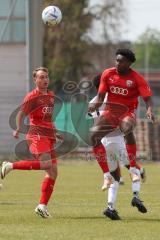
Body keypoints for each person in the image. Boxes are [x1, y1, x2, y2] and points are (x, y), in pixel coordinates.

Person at [1, 67, 63, 218]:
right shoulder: (32, 97)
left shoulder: (51, 96)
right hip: (36, 134)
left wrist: (56, 132)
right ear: (35, 80)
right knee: (46, 165)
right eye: (41, 77)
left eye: (46, 76)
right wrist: (18, 128)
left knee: (53, 172)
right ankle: (10, 166)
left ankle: (41, 206)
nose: (45, 79)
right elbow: (21, 113)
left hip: (48, 135)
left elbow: (48, 119)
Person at [90, 73, 147, 220]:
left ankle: (110, 207)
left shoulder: (93, 102)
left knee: (116, 177)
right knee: (136, 169)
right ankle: (136, 196)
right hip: (118, 142)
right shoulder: (114, 99)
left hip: (103, 144)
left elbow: (96, 125)